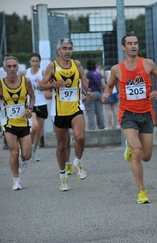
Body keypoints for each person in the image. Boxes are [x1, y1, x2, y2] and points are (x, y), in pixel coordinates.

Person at [101, 32, 157, 204]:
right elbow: (109, 86)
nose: (133, 46)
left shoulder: (147, 64)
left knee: (146, 156)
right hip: (127, 114)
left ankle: (130, 148)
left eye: (135, 43)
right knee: (138, 152)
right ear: (123, 47)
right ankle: (142, 191)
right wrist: (106, 94)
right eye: (129, 43)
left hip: (146, 113)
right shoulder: (117, 69)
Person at [39, 38, 91, 191]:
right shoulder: (52, 67)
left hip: (76, 107)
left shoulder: (77, 64)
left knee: (80, 137)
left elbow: (85, 83)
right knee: (62, 145)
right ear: (58, 51)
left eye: (70, 48)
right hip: (59, 111)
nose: (68, 51)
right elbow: (42, 85)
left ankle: (77, 161)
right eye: (65, 48)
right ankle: (63, 176)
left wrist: (86, 89)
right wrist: (54, 85)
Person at [0, 56, 35, 190]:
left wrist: (30, 109)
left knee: (26, 154)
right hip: (8, 123)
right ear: (5, 68)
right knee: (14, 151)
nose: (12, 69)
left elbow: (32, 96)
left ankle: (23, 160)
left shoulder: (26, 82)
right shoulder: (1, 84)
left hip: (24, 122)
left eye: (14, 66)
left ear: (18, 67)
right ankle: (16, 180)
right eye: (9, 67)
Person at [21, 53, 47, 161]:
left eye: (37, 61)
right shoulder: (25, 73)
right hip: (30, 103)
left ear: (39, 62)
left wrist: (40, 82)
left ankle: (34, 150)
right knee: (34, 127)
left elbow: (47, 86)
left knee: (39, 131)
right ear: (30, 61)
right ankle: (30, 146)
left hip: (42, 103)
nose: (35, 63)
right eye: (33, 61)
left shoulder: (43, 72)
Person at [84, 59, 105, 130]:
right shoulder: (99, 74)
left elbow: (85, 85)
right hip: (99, 93)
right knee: (99, 110)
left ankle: (92, 127)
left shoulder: (87, 74)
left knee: (90, 111)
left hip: (91, 93)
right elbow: (103, 85)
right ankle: (101, 126)